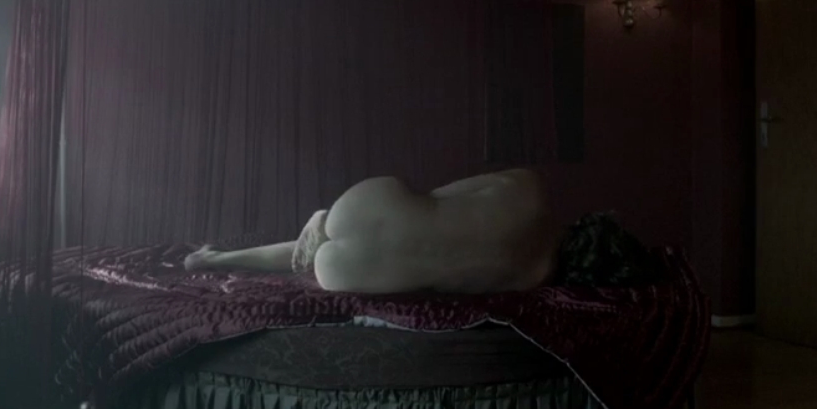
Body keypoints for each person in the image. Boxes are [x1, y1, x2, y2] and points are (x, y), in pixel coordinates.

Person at [184, 169, 662, 294]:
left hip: (365, 208)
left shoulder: (530, 187)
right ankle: (222, 258)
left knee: (389, 219)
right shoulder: (534, 278)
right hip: (346, 274)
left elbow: (443, 194)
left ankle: (318, 220)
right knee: (342, 251)